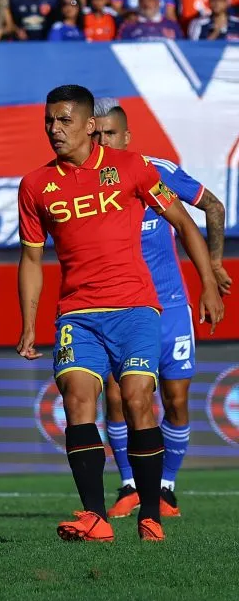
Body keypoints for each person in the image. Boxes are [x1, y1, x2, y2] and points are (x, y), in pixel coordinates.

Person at [16, 85, 224, 543]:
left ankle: (151, 511)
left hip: (135, 309)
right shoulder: (35, 185)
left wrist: (208, 282)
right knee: (77, 400)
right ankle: (95, 517)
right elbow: (32, 259)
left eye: (65, 120)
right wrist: (28, 324)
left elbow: (186, 222)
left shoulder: (132, 168)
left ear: (90, 126)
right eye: (49, 121)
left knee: (136, 402)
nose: (55, 129)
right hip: (77, 313)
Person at [92, 99, 230, 519]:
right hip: (120, 307)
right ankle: (130, 484)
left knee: (175, 399)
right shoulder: (82, 183)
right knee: (116, 399)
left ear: (127, 137)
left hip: (169, 306)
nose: (102, 141)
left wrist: (215, 266)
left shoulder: (157, 171)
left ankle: (166, 487)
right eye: (95, 134)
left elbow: (212, 207)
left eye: (109, 134)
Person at [116, 0, 183, 40]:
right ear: (139, 3)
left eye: (150, 0)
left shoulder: (172, 26)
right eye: (142, 0)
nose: (146, 4)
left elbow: (181, 48)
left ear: (158, 2)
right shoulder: (128, 26)